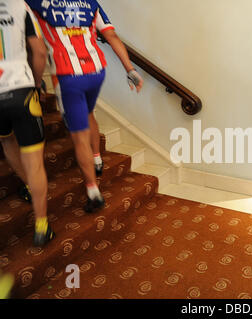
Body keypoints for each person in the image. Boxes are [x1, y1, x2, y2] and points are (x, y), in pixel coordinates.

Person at [26, 0, 143, 213]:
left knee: (79, 137)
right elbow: (111, 36)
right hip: (96, 71)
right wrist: (130, 69)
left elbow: (34, 44)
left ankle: (93, 192)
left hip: (67, 76)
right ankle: (97, 158)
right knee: (89, 112)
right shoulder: (90, 2)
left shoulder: (37, 2)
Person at [0, 0, 54, 247]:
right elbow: (40, 52)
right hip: (21, 89)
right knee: (35, 162)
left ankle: (27, 186)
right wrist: (35, 82)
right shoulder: (19, 6)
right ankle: (41, 226)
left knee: (7, 140)